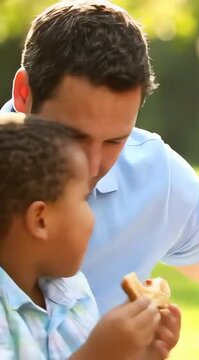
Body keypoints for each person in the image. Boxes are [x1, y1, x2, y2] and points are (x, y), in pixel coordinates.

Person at [2, 0, 199, 316]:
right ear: (23, 94)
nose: (93, 166)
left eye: (115, 140)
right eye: (73, 136)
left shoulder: (153, 174)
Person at [0, 112, 177, 359]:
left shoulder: (73, 293)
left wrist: (139, 352)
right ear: (40, 220)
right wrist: (98, 354)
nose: (92, 215)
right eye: (83, 198)